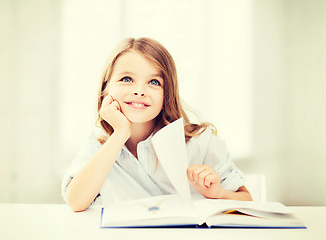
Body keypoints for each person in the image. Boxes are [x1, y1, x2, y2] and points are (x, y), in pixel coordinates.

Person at [62, 37, 252, 212]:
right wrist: (120, 133)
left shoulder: (199, 142)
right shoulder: (99, 143)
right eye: (126, 79)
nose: (139, 91)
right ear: (106, 89)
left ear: (166, 94)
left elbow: (247, 201)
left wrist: (218, 194)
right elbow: (75, 201)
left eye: (154, 82)